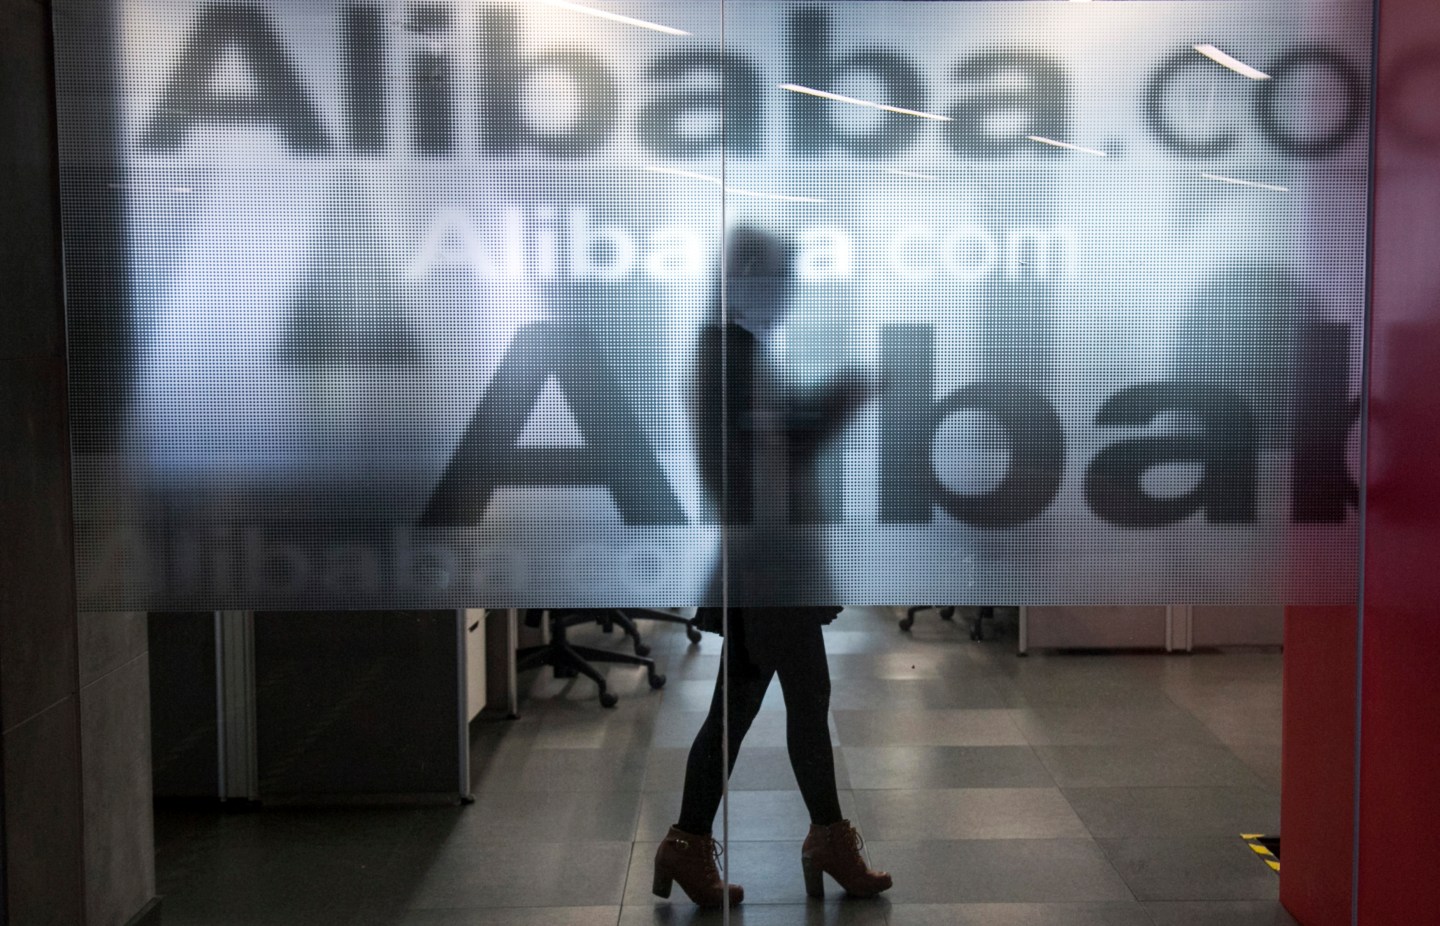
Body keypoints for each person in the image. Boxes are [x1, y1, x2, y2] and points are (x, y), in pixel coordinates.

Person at [651, 228, 892, 908]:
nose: (787, 294)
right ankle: (827, 839)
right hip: (768, 560)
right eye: (779, 279)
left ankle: (688, 843)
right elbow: (763, 454)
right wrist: (836, 405)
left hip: (769, 555)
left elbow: (775, 441)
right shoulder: (726, 352)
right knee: (805, 695)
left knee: (741, 703)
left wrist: (829, 407)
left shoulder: (733, 349)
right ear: (748, 278)